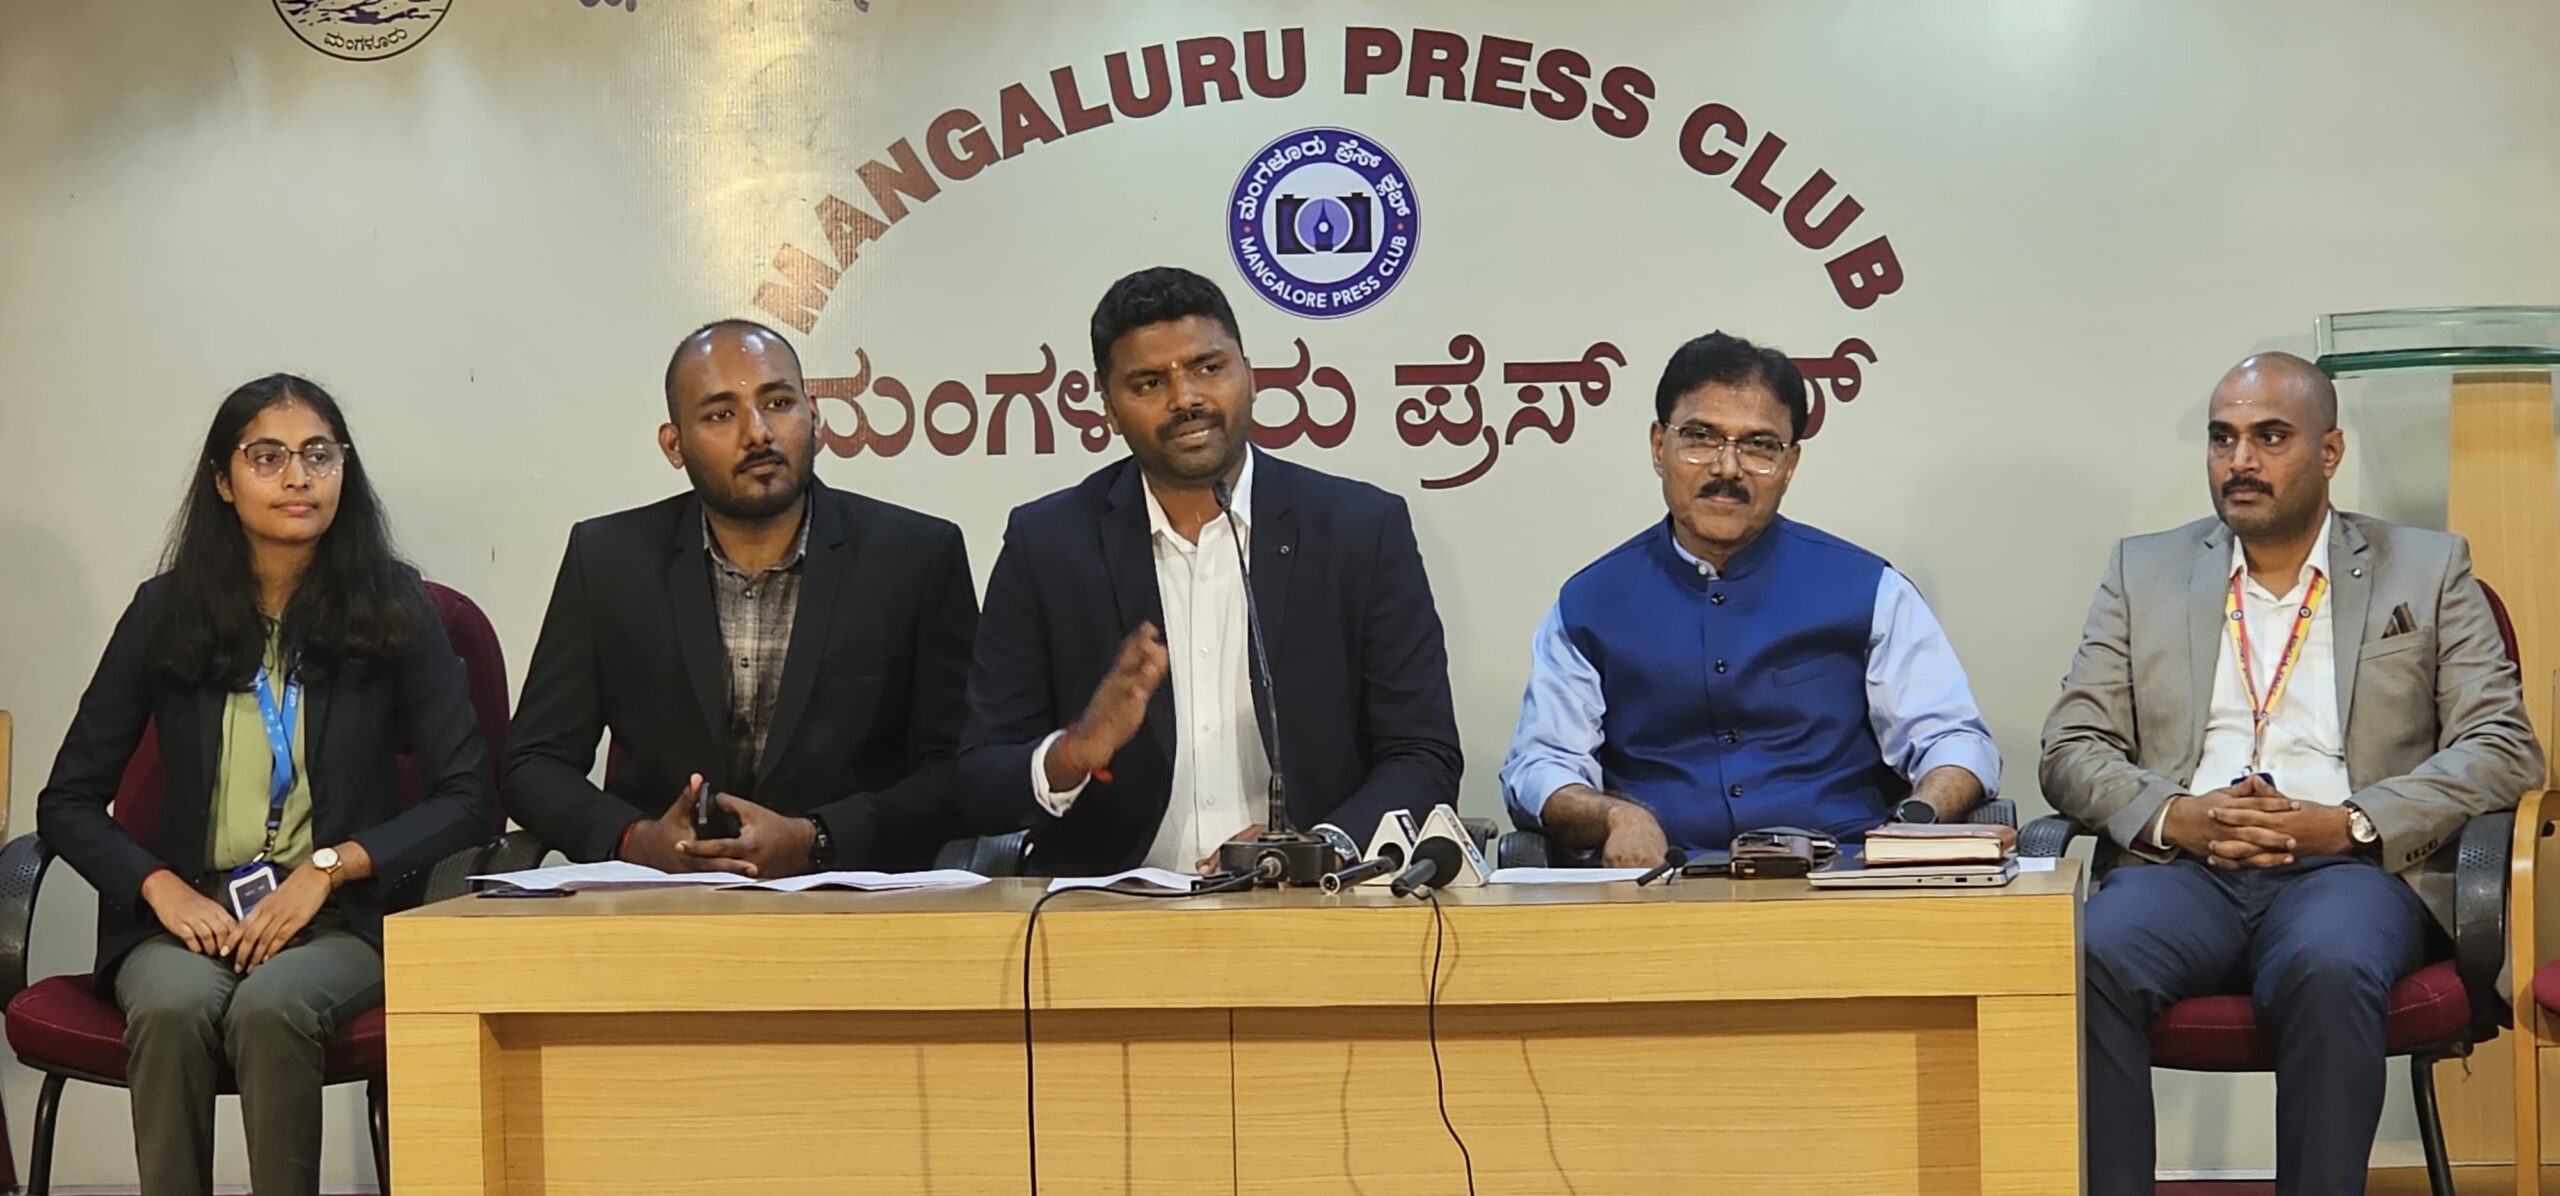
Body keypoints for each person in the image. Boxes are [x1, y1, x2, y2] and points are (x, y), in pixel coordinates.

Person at [2040, 351, 2542, 1195]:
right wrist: (2178, 815)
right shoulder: (2142, 572)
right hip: (2184, 869)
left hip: (2350, 869)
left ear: (2329, 451)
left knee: (2329, 965)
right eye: (2223, 438)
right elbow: (2071, 744)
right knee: (2084, 956)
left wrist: (2349, 822)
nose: (2241, 461)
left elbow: (2502, 744)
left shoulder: (2426, 567)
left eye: (2270, 437)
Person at [37, 374, 498, 1196]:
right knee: (173, 1007)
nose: (298, 476)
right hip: (187, 917)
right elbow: (67, 800)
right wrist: (160, 888)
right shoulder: (165, 613)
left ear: (344, 469)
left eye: (319, 454)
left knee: (272, 1008)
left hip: (339, 918)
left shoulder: (394, 608)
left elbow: (469, 794)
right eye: (268, 457)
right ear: (223, 480)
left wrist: (331, 868)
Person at [955, 266, 1461, 875]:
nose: (1185, 398)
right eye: (1149, 382)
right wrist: (1074, 753)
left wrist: (1317, 849)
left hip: (1309, 903)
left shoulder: (1359, 531)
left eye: (1208, 368)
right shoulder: (1049, 544)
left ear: (1250, 375)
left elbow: (1422, 755)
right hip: (1108, 906)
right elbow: (978, 781)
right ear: (1108, 408)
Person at [1500, 332, 2000, 866]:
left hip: (1840, 879)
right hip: (1662, 883)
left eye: (1760, 446)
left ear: (1790, 465)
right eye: (1700, 438)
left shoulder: (1870, 590)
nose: (1727, 468)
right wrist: (1616, 817)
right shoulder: (1589, 604)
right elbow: (1540, 764)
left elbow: (1953, 739)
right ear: (1658, 447)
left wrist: (1917, 820)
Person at [504, 320, 977, 876]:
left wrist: (818, 838)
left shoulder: (916, 558)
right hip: (664, 900)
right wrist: (635, 840)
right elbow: (533, 763)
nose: (758, 432)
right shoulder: (608, 560)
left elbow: (961, 768)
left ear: (814, 416)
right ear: (674, 445)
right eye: (720, 414)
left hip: (852, 892)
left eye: (779, 403)